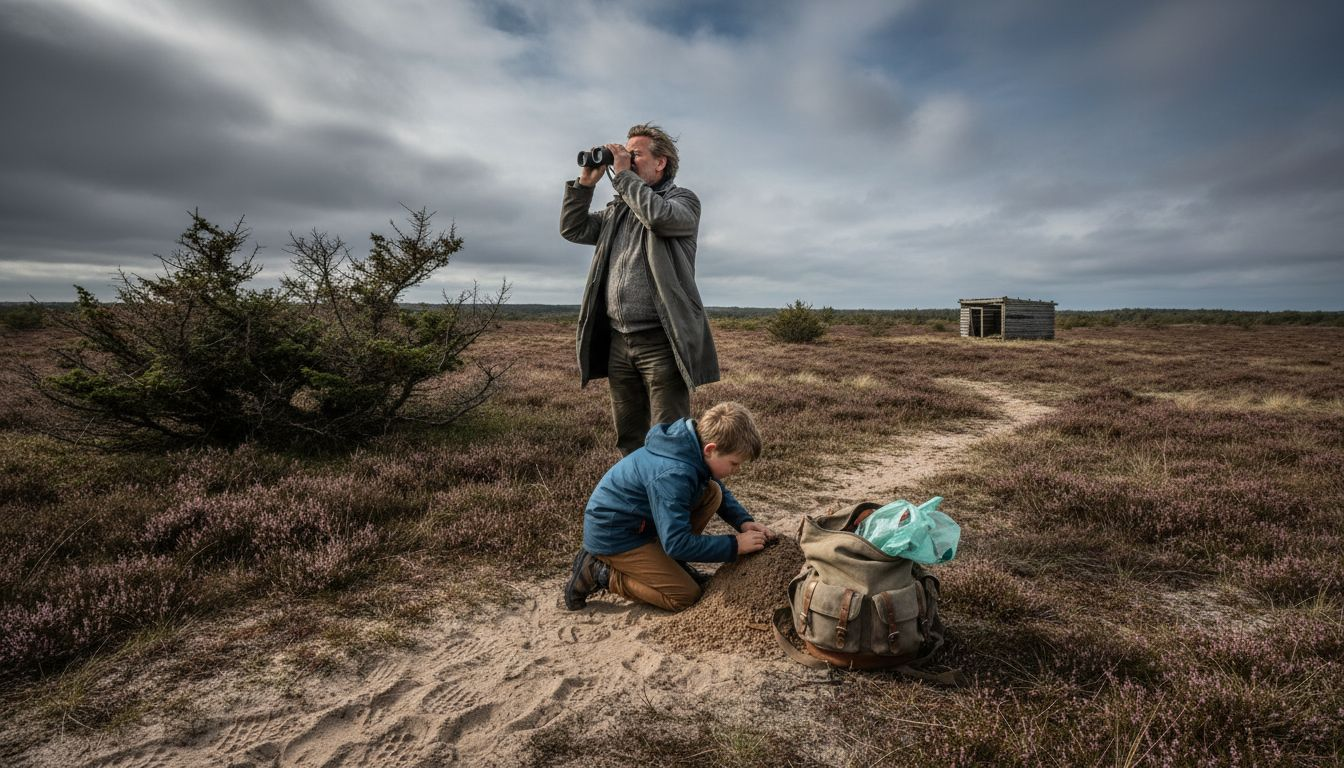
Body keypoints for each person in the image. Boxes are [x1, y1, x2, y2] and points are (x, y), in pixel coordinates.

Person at [560, 123, 720, 456]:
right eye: (626, 154)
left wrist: (621, 176)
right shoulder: (617, 210)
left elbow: (658, 218)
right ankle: (636, 502)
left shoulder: (682, 201)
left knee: (670, 437)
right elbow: (573, 229)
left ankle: (675, 501)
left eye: (635, 154)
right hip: (620, 340)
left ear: (660, 162)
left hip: (661, 341)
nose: (627, 160)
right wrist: (586, 184)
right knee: (629, 438)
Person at [563, 401, 777, 612]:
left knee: (712, 492)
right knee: (685, 596)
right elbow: (676, 543)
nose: (736, 470)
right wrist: (734, 545)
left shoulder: (689, 449)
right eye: (734, 463)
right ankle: (599, 571)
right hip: (615, 535)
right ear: (711, 449)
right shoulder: (674, 474)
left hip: (640, 523)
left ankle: (672, 566)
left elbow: (712, 485)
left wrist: (744, 522)